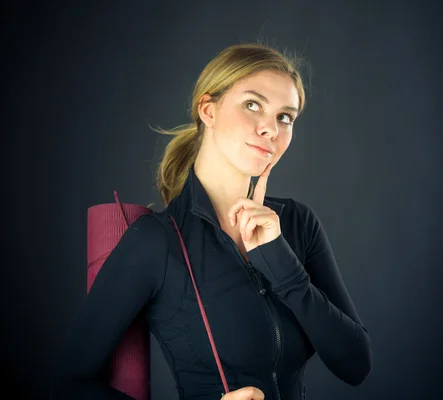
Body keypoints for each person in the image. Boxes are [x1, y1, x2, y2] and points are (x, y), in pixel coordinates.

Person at [50, 42, 372, 400]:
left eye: (285, 116)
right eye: (253, 105)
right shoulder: (156, 241)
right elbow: (68, 385)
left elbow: (356, 365)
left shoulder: (296, 223)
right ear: (208, 109)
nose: (271, 129)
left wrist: (280, 262)